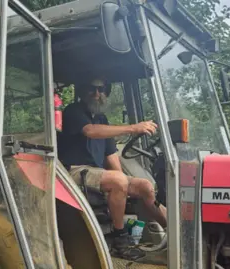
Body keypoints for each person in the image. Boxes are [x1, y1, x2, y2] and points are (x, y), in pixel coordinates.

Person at [58, 78, 168, 260]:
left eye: (101, 89)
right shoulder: (73, 111)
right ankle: (120, 240)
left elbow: (111, 155)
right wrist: (133, 128)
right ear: (83, 92)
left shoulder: (102, 119)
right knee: (118, 181)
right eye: (92, 89)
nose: (97, 94)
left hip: (97, 173)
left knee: (145, 186)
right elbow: (90, 131)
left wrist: (126, 181)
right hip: (73, 172)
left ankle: (173, 230)